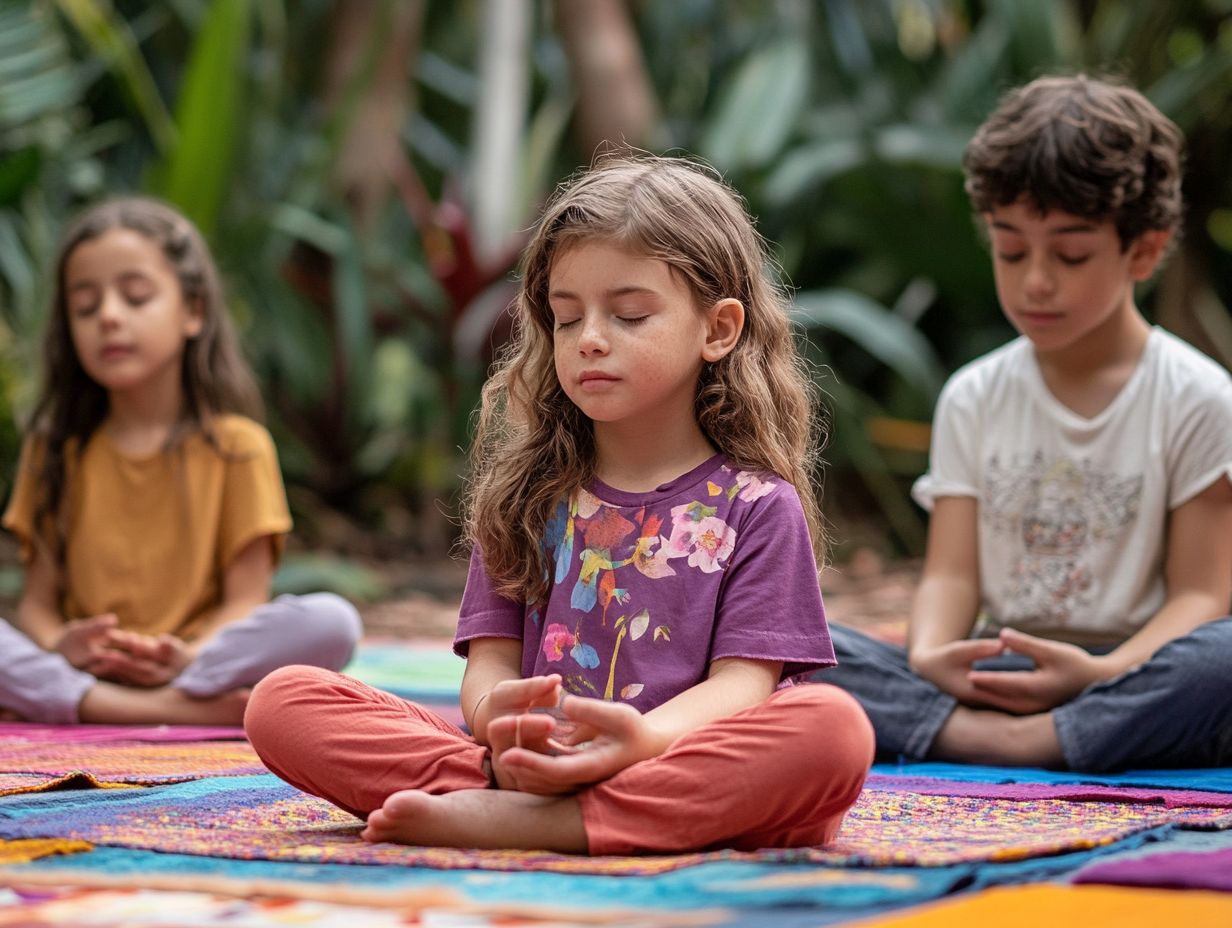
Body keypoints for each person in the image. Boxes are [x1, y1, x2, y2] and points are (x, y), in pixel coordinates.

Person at [245, 154, 873, 855]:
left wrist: (641, 740)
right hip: (527, 769)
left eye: (629, 314)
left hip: (676, 760)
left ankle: (541, 821)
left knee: (832, 730)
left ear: (718, 330)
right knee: (284, 699)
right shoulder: (532, 495)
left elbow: (744, 688)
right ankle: (543, 808)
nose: (590, 339)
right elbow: (489, 666)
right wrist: (496, 719)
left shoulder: (757, 505)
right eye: (566, 318)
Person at [821, 75, 1232, 772]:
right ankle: (1014, 732)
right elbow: (950, 575)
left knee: (1223, 661)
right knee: (797, 643)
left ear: (1142, 250)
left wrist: (1102, 675)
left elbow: (1204, 593)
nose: (1035, 280)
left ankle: (996, 736)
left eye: (1070, 254)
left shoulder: (1198, 397)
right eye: (1011, 250)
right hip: (1001, 669)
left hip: (1138, 675)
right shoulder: (973, 395)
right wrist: (930, 653)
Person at [0, 197, 361, 727]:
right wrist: (62, 644)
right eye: (85, 306)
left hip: (200, 664)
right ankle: (156, 710)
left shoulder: (240, 447)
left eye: (136, 296)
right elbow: (37, 604)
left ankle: (129, 701)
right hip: (83, 671)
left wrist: (188, 656)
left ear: (193, 311)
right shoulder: (54, 449)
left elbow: (246, 602)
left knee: (334, 621)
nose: (109, 316)